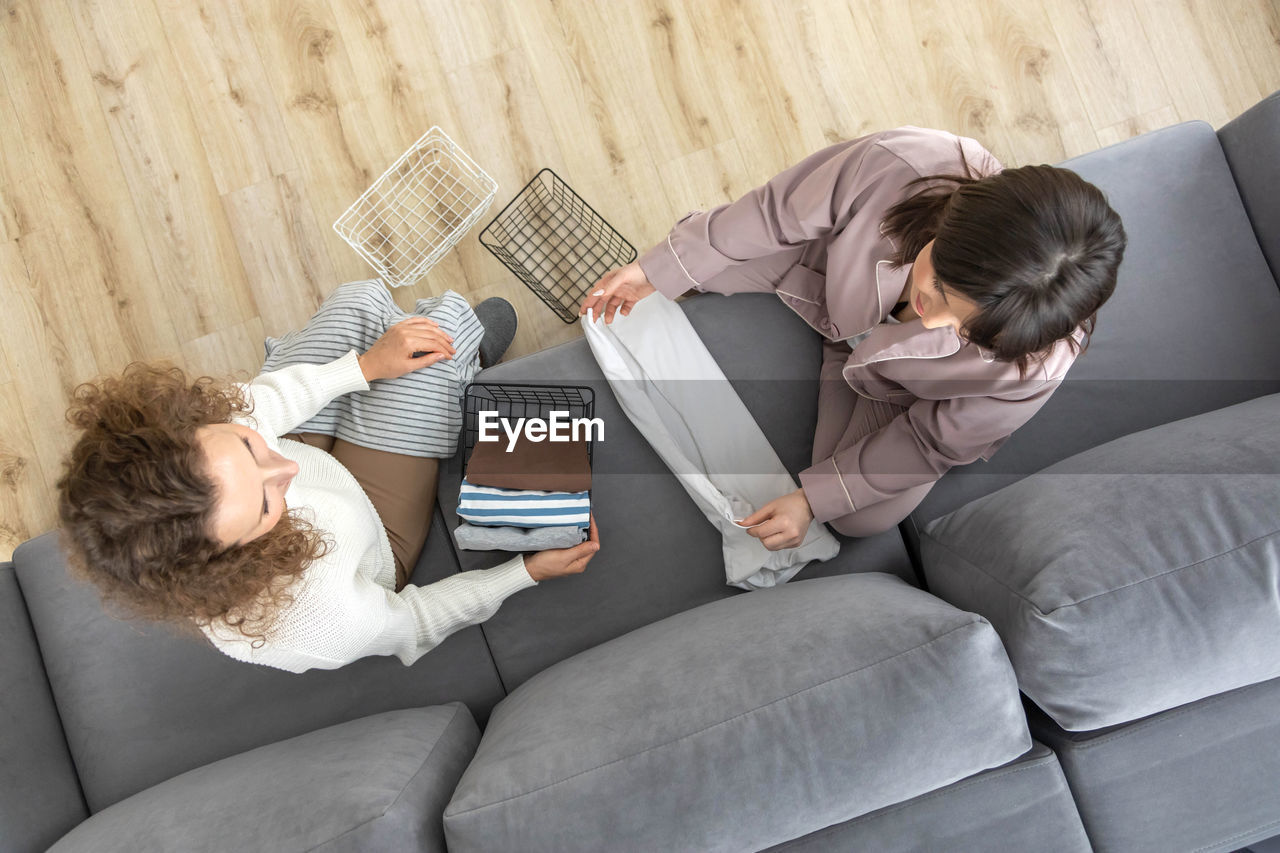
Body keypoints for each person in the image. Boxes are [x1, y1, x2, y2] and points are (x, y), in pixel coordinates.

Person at [581, 126, 1125, 548]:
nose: (932, 320)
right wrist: (659, 269)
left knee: (862, 518)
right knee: (695, 265)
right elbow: (774, 214)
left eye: (964, 329)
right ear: (951, 226)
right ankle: (833, 345)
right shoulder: (907, 162)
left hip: (893, 388)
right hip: (823, 275)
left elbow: (931, 441)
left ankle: (844, 363)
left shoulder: (1033, 365)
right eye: (936, 286)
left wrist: (810, 501)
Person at [57, 288, 599, 673]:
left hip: (324, 467)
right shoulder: (309, 616)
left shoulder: (199, 451)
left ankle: (425, 374)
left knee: (358, 304)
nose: (287, 472)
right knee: (448, 328)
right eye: (268, 504)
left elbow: (262, 408)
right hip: (369, 528)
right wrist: (523, 574)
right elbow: (411, 622)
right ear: (233, 555)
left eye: (248, 447)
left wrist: (363, 368)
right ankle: (467, 359)